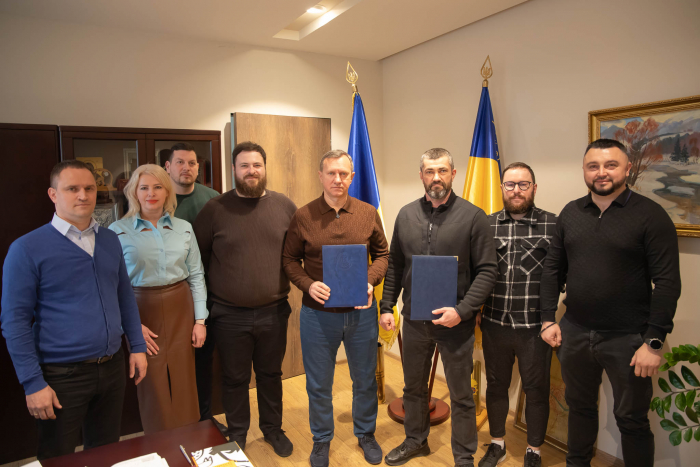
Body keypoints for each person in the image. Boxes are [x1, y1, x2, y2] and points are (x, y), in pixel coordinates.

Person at [540, 139, 682, 467]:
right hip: (574, 332)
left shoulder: (651, 216)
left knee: (631, 420)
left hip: (629, 339)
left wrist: (654, 341)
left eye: (610, 165)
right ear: (584, 170)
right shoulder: (571, 213)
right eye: (593, 166)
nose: (601, 172)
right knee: (579, 409)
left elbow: (667, 283)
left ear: (627, 169)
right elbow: (552, 270)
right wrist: (548, 318)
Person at [1, 160, 147, 460]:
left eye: (89, 188)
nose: (83, 195)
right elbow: (14, 322)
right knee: (58, 457)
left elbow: (124, 296)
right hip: (61, 375)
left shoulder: (109, 239)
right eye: (72, 189)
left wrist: (137, 346)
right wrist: (32, 383)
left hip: (111, 367)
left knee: (105, 452)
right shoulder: (26, 248)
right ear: (53, 194)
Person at [380, 148, 498, 467]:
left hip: (456, 323)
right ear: (421, 175)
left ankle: (463, 456)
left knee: (461, 394)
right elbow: (395, 265)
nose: (436, 177)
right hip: (414, 321)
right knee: (413, 388)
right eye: (430, 171)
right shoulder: (406, 215)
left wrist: (462, 310)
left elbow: (488, 271)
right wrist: (387, 305)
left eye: (442, 171)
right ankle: (415, 441)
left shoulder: (474, 216)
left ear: (453, 174)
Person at [282, 149, 389, 467]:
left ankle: (366, 434)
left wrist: (370, 280)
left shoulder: (368, 213)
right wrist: (307, 284)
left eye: (344, 173)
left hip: (361, 313)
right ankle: (321, 440)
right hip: (318, 316)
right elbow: (289, 260)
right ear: (321, 176)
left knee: (365, 380)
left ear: (352, 177)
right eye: (331, 173)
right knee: (318, 384)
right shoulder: (303, 216)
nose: (337, 179)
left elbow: (383, 255)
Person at [193, 142, 297, 457]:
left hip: (274, 312)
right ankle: (237, 433)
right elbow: (198, 260)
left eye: (256, 165)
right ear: (234, 169)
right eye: (244, 166)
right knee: (234, 378)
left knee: (270, 375)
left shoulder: (285, 206)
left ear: (264, 168)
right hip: (228, 315)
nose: (251, 171)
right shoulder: (214, 209)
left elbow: (296, 254)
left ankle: (272, 429)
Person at [109, 164, 207, 434]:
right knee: (150, 381)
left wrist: (200, 321)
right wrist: (130, 326)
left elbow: (196, 275)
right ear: (134, 193)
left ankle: (189, 439)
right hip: (139, 310)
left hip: (181, 308)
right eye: (144, 188)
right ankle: (158, 443)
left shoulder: (184, 228)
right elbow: (111, 285)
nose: (151, 193)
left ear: (167, 192)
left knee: (184, 378)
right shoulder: (117, 231)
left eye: (157, 187)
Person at [478, 162, 557, 467]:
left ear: (534, 188)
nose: (516, 190)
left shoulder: (553, 225)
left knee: (536, 390)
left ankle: (533, 450)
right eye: (510, 184)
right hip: (494, 323)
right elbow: (475, 272)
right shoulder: (485, 225)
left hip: (535, 328)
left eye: (523, 184)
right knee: (496, 386)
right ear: (502, 188)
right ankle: (497, 444)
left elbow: (561, 274)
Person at [164, 141, 219, 422]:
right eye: (180, 162)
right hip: (168, 297)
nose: (186, 168)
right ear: (168, 167)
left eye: (192, 163)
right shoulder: (157, 198)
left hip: (206, 294)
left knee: (202, 361)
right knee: (170, 364)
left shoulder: (213, 199)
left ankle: (204, 419)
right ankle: (174, 422)